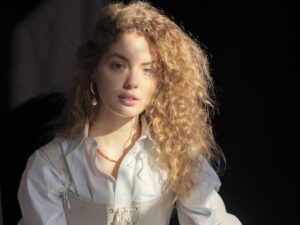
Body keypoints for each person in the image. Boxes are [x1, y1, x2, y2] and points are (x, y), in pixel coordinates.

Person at [17, 1, 242, 225]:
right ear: (93, 69)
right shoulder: (50, 167)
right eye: (119, 65)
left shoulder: (176, 156)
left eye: (148, 70)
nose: (133, 82)